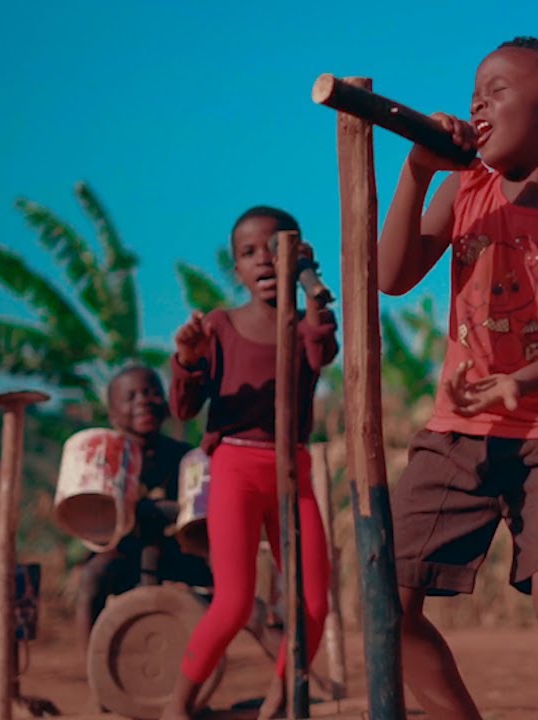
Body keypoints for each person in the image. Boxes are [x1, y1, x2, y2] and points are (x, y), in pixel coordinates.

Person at [377, 37, 538, 720]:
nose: (476, 104)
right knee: (384, 598)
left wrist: (525, 379)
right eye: (473, 93)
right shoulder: (466, 188)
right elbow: (393, 277)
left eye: (496, 89)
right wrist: (418, 171)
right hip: (458, 432)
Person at [162, 206, 337, 720]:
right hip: (236, 468)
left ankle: (278, 705)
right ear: (235, 268)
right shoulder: (220, 326)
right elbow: (184, 409)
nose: (263, 259)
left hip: (294, 471)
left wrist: (310, 289)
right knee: (235, 602)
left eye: (276, 247)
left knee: (314, 605)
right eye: (248, 252)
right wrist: (189, 361)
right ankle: (177, 707)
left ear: (300, 253)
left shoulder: (311, 323)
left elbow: (322, 351)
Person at [75, 365, 212, 650]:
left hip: (174, 552)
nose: (143, 400)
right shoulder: (104, 458)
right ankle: (97, 669)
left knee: (226, 587)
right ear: (113, 414)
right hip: (121, 552)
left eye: (151, 392)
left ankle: (203, 667)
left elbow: (195, 512)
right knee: (91, 580)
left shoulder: (184, 456)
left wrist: (145, 510)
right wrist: (159, 510)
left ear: (166, 404)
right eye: (131, 396)